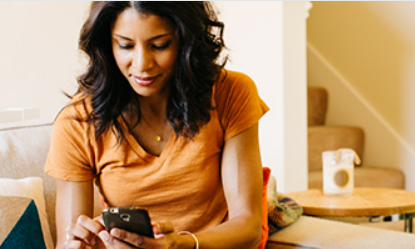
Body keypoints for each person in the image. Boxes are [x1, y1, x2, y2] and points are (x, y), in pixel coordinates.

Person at [45, 2, 269, 249]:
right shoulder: (78, 121)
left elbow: (248, 228)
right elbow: (67, 243)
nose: (142, 64)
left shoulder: (231, 93)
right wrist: (80, 244)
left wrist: (180, 245)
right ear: (107, 44)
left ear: (186, 40)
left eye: (159, 45)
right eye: (126, 45)